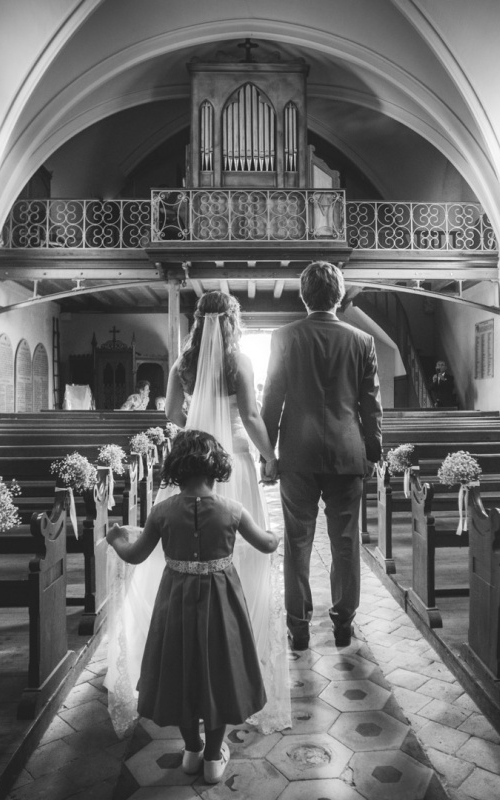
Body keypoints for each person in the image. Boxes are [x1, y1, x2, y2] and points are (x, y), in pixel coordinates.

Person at [104, 291, 290, 737]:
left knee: (186, 543)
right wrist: (272, 457)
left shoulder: (181, 364)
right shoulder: (239, 361)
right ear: (231, 321)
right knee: (239, 552)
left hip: (193, 466)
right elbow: (249, 413)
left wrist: (197, 417)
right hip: (237, 464)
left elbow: (171, 414)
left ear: (197, 321)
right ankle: (237, 652)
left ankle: (188, 648)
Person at [106, 430, 278, 784]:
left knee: (182, 673)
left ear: (176, 469)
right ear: (216, 468)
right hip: (222, 607)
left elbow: (135, 555)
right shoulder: (233, 510)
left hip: (176, 605)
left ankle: (191, 750)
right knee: (218, 673)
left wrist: (116, 539)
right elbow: (266, 544)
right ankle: (214, 757)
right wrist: (276, 533)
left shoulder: (162, 512)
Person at [261, 261, 383, 651]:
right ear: (340, 294)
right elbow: (371, 406)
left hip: (297, 452)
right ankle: (343, 623)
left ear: (303, 295)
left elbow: (272, 400)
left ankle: (298, 628)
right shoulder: (361, 341)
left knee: (298, 542)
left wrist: (268, 455)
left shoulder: (284, 337)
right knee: (345, 542)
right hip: (348, 454)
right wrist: (372, 453)